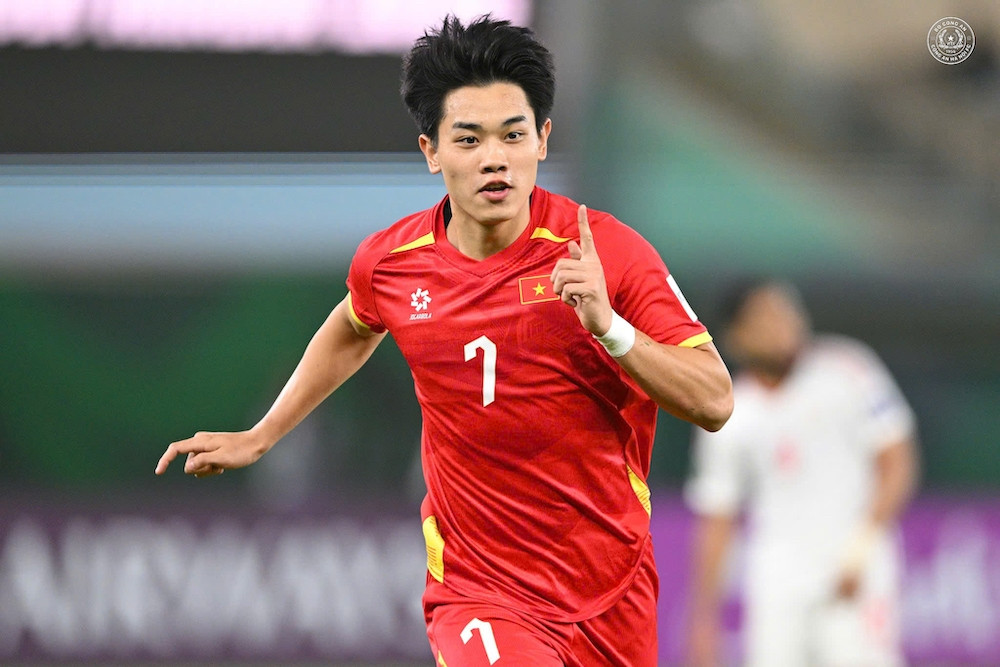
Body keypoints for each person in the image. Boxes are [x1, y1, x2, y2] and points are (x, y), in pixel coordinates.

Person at [155, 15, 733, 666]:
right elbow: (353, 324)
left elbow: (714, 400)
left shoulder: (608, 254)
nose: (494, 158)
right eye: (469, 139)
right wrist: (263, 434)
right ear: (432, 152)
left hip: (612, 591)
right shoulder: (393, 263)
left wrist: (610, 328)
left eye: (513, 134)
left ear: (542, 140)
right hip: (478, 591)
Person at [685, 279, 919, 667]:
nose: (783, 324)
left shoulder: (848, 369)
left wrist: (865, 540)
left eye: (786, 311)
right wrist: (704, 616)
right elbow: (718, 516)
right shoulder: (730, 411)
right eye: (766, 317)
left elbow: (897, 460)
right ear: (737, 337)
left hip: (852, 569)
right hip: (778, 582)